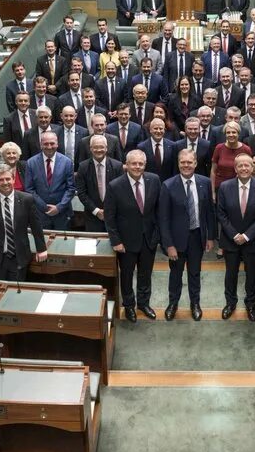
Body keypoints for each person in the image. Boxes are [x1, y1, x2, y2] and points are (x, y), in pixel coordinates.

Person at [105, 149, 161, 322]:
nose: (137, 167)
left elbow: (159, 210)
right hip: (126, 241)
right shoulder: (115, 185)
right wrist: (116, 241)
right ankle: (129, 305)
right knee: (127, 275)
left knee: (145, 274)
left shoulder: (154, 180)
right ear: (126, 165)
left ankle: (143, 303)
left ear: (145, 165)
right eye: (133, 163)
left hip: (148, 239)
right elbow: (109, 216)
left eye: (141, 164)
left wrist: (158, 235)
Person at [159, 148, 214, 321]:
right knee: (175, 274)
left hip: (197, 237)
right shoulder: (168, 185)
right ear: (178, 163)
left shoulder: (205, 182)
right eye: (183, 162)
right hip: (176, 241)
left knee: (195, 273)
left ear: (196, 163)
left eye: (189, 162)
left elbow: (209, 213)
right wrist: (169, 245)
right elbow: (163, 218)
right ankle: (173, 303)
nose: (186, 165)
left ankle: (195, 303)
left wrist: (210, 237)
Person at [216, 153, 255, 321]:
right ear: (235, 168)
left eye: (248, 165)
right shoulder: (225, 187)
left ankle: (250, 304)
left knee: (252, 274)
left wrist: (246, 236)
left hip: (252, 240)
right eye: (240, 166)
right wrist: (234, 235)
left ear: (253, 167)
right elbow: (221, 214)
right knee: (231, 273)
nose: (244, 168)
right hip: (230, 240)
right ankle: (230, 303)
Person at [0, 164, 47, 281]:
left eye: (8, 179)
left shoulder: (26, 199)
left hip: (19, 256)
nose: (5, 182)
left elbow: (36, 226)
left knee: (17, 291)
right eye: (1, 180)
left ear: (13, 179)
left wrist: (41, 249)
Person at [26, 130, 75, 230]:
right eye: (46, 144)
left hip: (62, 214)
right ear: (41, 145)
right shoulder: (31, 163)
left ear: (57, 144)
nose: (49, 147)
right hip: (41, 213)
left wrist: (59, 207)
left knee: (62, 244)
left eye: (52, 143)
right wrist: (44, 206)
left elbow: (71, 188)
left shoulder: (67, 162)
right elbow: (29, 189)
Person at [77, 134, 124, 233]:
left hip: (113, 215)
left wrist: (109, 211)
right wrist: (96, 211)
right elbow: (81, 193)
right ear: (90, 148)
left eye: (101, 147)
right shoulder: (83, 167)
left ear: (106, 148)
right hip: (92, 216)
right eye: (95, 147)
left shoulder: (117, 166)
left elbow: (121, 192)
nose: (99, 150)